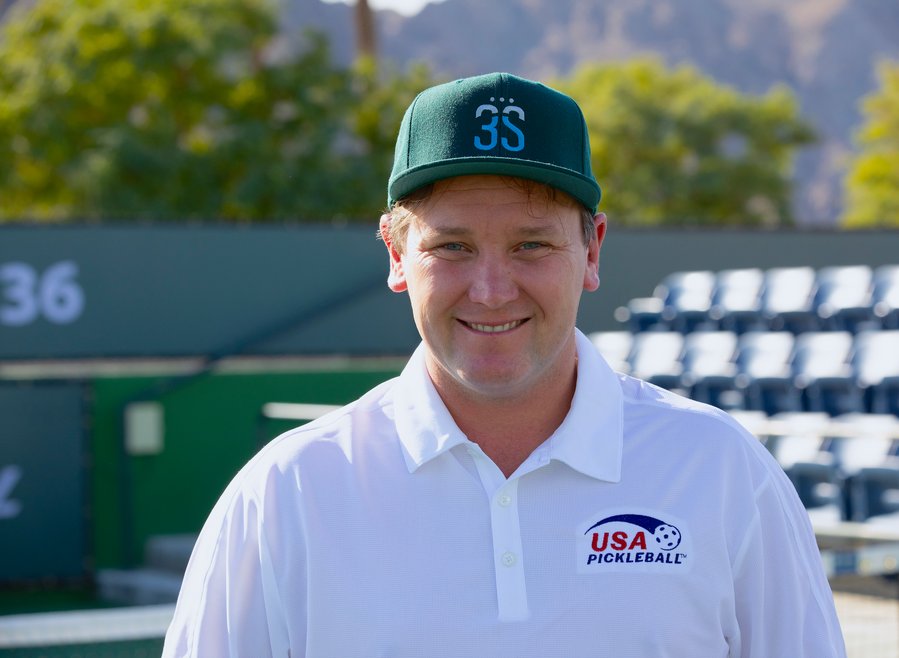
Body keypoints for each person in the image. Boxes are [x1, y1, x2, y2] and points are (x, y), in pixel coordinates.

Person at [163, 72, 846, 657]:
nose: (491, 290)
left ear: (593, 249)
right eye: (452, 247)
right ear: (397, 254)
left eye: (530, 245)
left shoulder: (721, 470)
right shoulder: (287, 493)